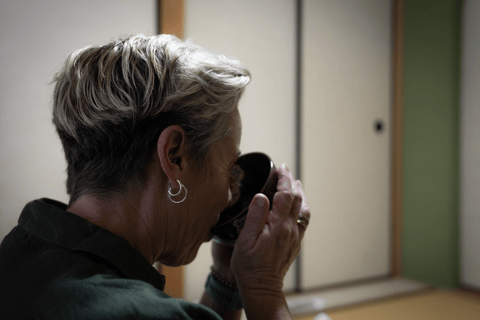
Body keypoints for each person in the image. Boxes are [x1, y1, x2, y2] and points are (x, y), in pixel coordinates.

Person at [0, 34, 310, 320]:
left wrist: (226, 278)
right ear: (174, 156)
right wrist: (263, 289)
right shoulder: (145, 314)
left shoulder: (19, 250)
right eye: (230, 169)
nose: (230, 197)